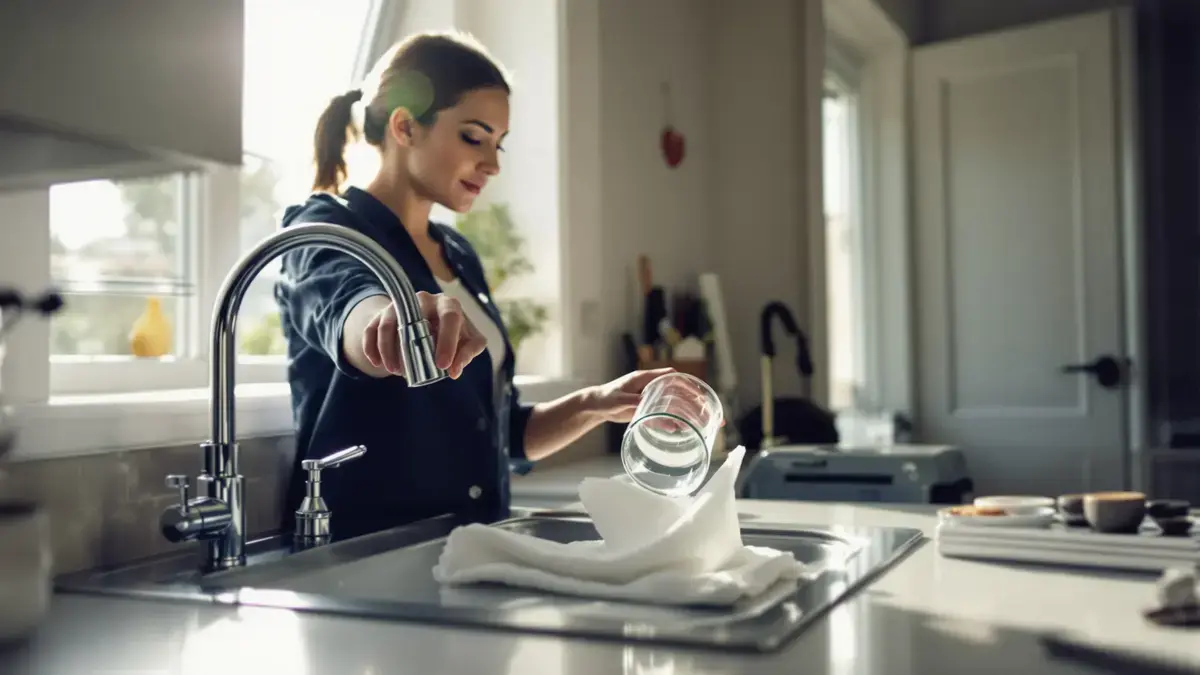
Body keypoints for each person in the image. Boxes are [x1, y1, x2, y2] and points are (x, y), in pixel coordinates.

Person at [274, 30, 670, 534]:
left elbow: (499, 436)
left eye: (499, 144)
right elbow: (350, 309)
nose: (493, 163)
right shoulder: (326, 228)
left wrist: (597, 403)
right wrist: (392, 323)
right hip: (365, 557)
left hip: (467, 552)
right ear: (405, 127)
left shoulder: (457, 255)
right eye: (473, 137)